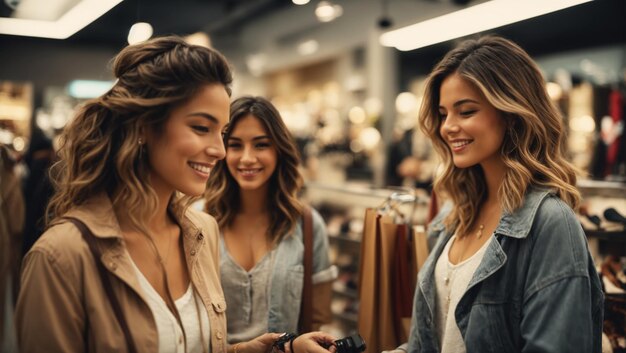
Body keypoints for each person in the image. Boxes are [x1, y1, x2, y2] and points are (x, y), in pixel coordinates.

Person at [15, 36, 335, 353]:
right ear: (143, 126)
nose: (220, 151)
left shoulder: (201, 233)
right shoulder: (62, 257)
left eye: (222, 133)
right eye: (200, 128)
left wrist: (260, 350)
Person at [403, 36, 604, 353]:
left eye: (466, 111)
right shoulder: (451, 218)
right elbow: (433, 342)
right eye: (443, 114)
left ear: (512, 113)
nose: (447, 127)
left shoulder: (551, 225)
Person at [205, 96, 336, 343]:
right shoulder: (200, 221)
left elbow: (319, 316)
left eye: (261, 145)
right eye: (235, 145)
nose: (247, 158)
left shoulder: (306, 224)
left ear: (279, 149)